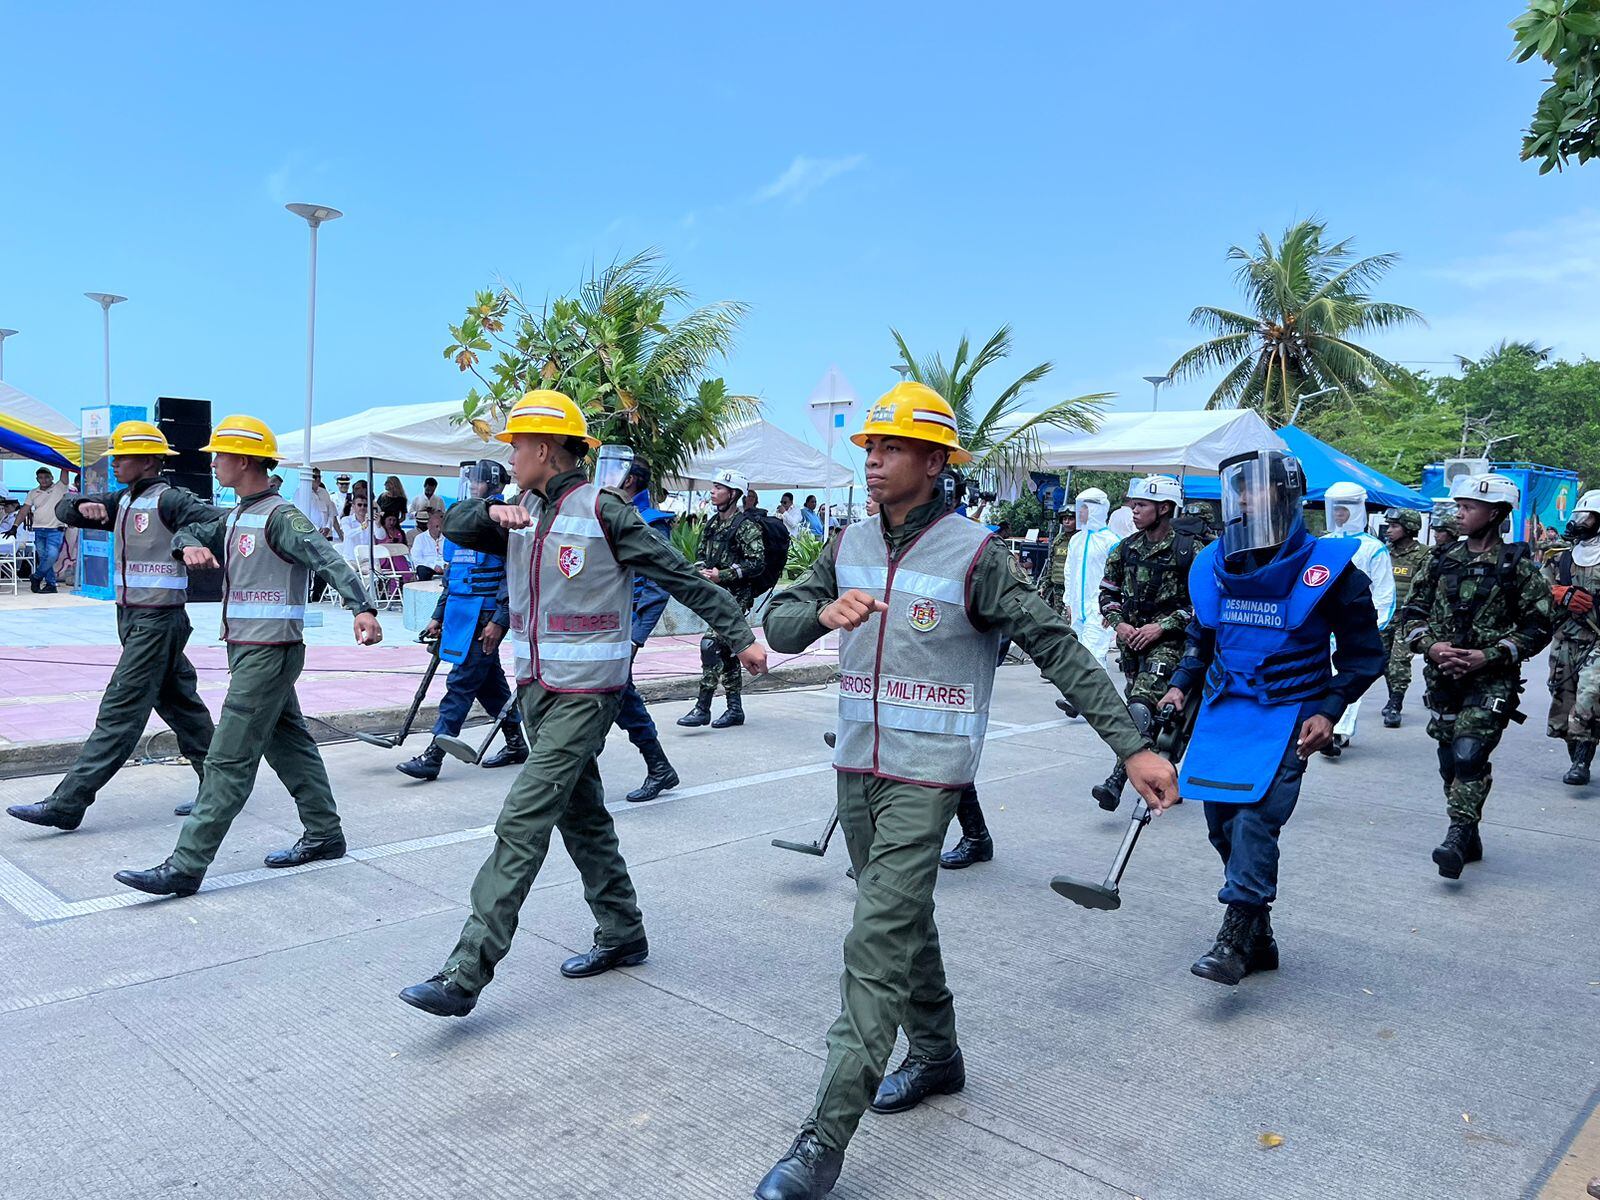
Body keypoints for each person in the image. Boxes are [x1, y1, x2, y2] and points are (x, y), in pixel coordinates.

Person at [754, 383, 1178, 1200]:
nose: (873, 460)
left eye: (893, 448)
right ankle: (940, 1056)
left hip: (929, 778)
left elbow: (1056, 647)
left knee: (873, 943)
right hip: (857, 768)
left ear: (937, 460)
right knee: (901, 917)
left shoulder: (977, 554)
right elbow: (776, 624)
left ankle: (820, 1141)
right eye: (870, 447)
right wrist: (820, 616)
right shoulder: (845, 541)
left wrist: (1130, 748)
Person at [397, 390, 767, 1017]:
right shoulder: (521, 510)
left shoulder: (606, 512)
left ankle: (465, 972)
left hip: (588, 694)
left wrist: (739, 635)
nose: (509, 456)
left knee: (523, 818)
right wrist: (493, 513)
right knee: (583, 816)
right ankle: (623, 933)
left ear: (544, 448)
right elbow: (454, 526)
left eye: (515, 445)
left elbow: (676, 572)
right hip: (537, 691)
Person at [112, 416, 383, 897]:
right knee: (289, 744)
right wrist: (190, 543)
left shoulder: (281, 516)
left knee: (227, 759)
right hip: (248, 649)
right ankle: (324, 833)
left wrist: (362, 607)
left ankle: (185, 865)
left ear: (243, 460)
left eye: (219, 455)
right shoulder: (237, 513)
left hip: (269, 652)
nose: (213, 462)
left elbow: (327, 558)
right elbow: (189, 532)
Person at [1159, 450, 1384, 986]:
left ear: (1285, 497)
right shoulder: (1215, 563)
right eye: (1239, 488)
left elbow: (1363, 655)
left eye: (1256, 488)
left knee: (1256, 820)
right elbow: (1202, 639)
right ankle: (1261, 940)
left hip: (1290, 713)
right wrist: (1177, 688)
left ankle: (1234, 939)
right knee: (1223, 828)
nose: (1244, 497)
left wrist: (1331, 709)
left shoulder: (1329, 570)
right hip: (1222, 712)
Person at [6, 422, 216, 831]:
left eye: (123, 456)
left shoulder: (172, 500)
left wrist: (188, 539)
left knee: (120, 710)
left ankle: (69, 801)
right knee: (181, 705)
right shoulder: (123, 499)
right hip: (134, 618)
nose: (115, 462)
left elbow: (213, 522)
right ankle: (220, 787)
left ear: (150, 461)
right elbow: (68, 508)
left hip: (159, 620)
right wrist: (80, 506)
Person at [1399, 472, 1554, 881]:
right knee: (1449, 761)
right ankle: (1471, 836)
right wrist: (1431, 646)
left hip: (1491, 680)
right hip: (1442, 679)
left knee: (1469, 755)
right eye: (1459, 506)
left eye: (1469, 508)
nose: (1459, 514)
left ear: (1496, 514)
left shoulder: (1519, 567)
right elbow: (1411, 616)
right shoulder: (1438, 561)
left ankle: (1455, 837)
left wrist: (1488, 656)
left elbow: (1538, 627)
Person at [398, 460, 527, 782]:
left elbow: (513, 576)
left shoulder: (502, 522)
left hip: (484, 617)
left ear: (493, 483)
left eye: (478, 480)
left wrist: (499, 620)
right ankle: (516, 743)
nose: (472, 485)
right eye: (470, 479)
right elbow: (454, 576)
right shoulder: (463, 522)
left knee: (460, 684)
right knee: (489, 684)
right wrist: (438, 616)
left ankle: (433, 755)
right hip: (459, 614)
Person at [1093, 474, 1196, 810]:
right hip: (1131, 646)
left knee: (1139, 709)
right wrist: (1118, 623)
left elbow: (1205, 605)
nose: (1133, 511)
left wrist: (1162, 626)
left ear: (1164, 508)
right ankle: (1164, 776)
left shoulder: (1191, 550)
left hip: (1170, 644)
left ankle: (1116, 782)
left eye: (1141, 505)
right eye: (1133, 505)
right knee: (1151, 716)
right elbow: (1107, 593)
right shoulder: (1124, 549)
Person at [613, 459, 683, 802]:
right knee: (613, 697)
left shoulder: (652, 523)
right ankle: (659, 767)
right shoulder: (608, 513)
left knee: (618, 695)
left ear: (630, 481)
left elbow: (657, 588)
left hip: (625, 629)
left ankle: (658, 767)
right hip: (605, 625)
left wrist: (636, 636)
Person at [677, 467, 766, 730]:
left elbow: (757, 563)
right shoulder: (713, 523)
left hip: (736, 597)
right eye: (713, 487)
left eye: (719, 489)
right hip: (715, 596)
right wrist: (702, 570)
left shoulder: (746, 526)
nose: (713, 492)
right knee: (727, 651)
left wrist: (723, 575)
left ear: (734, 494)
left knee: (710, 645)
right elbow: (703, 553)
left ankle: (702, 707)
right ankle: (734, 710)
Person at [1318, 482, 1395, 758]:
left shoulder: (1373, 548)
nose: (1338, 514)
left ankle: (1339, 731)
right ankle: (1323, 726)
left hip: (1354, 628)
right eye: (1335, 509)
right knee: (1324, 678)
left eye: (1343, 509)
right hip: (1322, 629)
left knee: (1350, 678)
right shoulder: (1321, 544)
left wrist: (1371, 629)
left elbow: (1384, 593)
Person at [1543, 490, 1600, 784]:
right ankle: (1575, 754)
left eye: (1586, 517)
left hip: (1597, 639)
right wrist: (1558, 594)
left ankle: (1582, 762)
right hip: (1566, 638)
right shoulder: (1562, 558)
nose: (1580, 522)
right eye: (1578, 516)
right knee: (1563, 698)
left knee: (1589, 696)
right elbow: (1536, 594)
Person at [1379, 508, 1431, 728]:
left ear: (1409, 528)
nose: (1389, 530)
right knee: (1381, 660)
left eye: (1394, 526)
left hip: (1407, 617)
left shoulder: (1424, 555)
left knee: (1399, 662)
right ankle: (1392, 695)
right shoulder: (1382, 552)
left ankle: (1395, 704)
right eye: (1389, 526)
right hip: (1384, 615)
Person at [1063, 487, 1120, 668]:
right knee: (1078, 654)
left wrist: (1112, 608)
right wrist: (1069, 602)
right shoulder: (1076, 539)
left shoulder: (1111, 541)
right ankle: (1079, 697)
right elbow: (1069, 572)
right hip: (1078, 609)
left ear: (1097, 509)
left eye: (1084, 508)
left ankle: (1097, 696)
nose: (1080, 512)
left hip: (1098, 609)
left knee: (1094, 656)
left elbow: (1118, 578)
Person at [23, 466, 70, 593]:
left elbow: (65, 471)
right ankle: (51, 585)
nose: (43, 480)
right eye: (41, 478)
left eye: (46, 477)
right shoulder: (33, 492)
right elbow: (24, 510)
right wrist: (15, 526)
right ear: (37, 479)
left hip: (55, 529)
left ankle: (36, 576)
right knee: (45, 557)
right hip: (38, 529)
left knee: (51, 556)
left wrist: (62, 458)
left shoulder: (59, 487)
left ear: (52, 478)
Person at [1036, 505, 1077, 617]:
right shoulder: (1058, 540)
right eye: (1064, 519)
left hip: (1075, 590)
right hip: (1058, 589)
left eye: (1071, 519)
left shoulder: (1081, 540)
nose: (1067, 522)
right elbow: (1052, 566)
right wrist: (1043, 586)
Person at [410, 508, 447, 581]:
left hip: (444, 567)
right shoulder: (420, 538)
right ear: (429, 526)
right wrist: (433, 566)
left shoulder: (446, 538)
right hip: (429, 567)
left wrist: (444, 565)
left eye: (441, 527)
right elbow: (416, 558)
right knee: (422, 570)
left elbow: (450, 555)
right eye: (437, 527)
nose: (439, 530)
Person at [340, 494, 375, 560]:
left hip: (367, 560)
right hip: (350, 559)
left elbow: (380, 536)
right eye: (359, 505)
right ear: (353, 506)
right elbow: (348, 534)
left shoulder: (372, 521)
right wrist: (363, 527)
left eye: (365, 505)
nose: (362, 507)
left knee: (375, 569)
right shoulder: (346, 520)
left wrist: (378, 524)